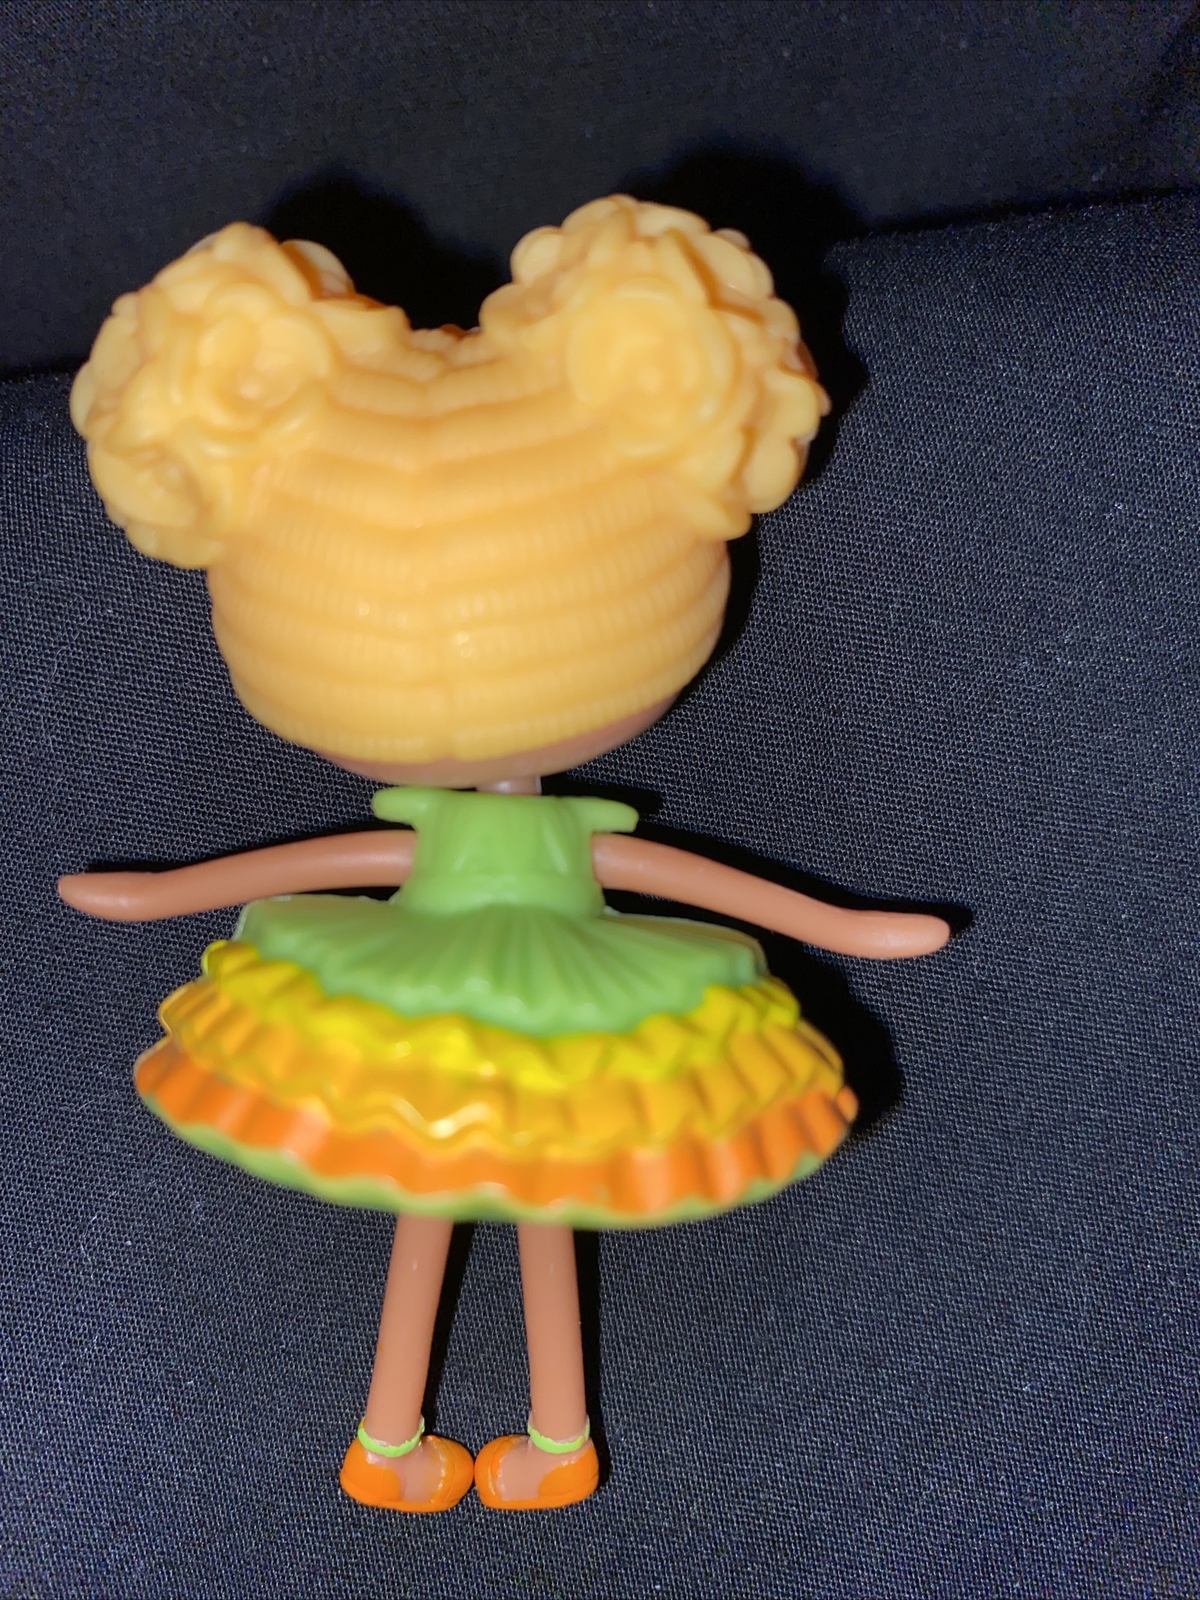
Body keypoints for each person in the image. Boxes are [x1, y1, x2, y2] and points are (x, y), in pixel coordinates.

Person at [63, 196, 949, 1513]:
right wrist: (163, 893)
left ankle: (531, 1432)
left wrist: (849, 927)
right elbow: (334, 863)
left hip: (542, 995)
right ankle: (405, 1435)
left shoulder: (542, 821)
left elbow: (662, 878)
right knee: (456, 1200)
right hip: (439, 985)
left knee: (519, 1201)